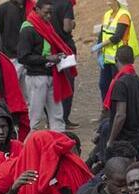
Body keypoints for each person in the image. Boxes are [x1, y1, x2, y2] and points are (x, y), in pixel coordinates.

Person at [18, 0, 72, 132]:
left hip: (51, 75)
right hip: (36, 77)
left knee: (57, 116)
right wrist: (47, 58)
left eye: (51, 13)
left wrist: (58, 56)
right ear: (36, 10)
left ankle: (58, 146)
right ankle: (31, 148)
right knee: (35, 119)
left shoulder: (47, 27)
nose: (49, 16)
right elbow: (23, 57)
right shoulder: (28, 29)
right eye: (46, 13)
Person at [94, 45, 139, 162]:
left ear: (115, 59)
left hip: (122, 141)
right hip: (136, 138)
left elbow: (120, 115)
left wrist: (111, 140)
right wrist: (137, 131)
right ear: (132, 60)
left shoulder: (120, 83)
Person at [94, 0, 139, 101]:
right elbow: (102, 33)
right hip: (107, 57)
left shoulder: (124, 15)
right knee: (103, 85)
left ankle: (117, 110)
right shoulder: (107, 14)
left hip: (119, 58)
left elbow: (117, 37)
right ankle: (106, 110)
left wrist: (100, 45)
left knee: (117, 86)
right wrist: (99, 50)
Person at [47, 0, 79, 129]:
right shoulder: (66, 4)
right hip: (65, 47)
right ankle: (63, 118)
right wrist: (73, 24)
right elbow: (67, 27)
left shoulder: (45, 3)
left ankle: (51, 119)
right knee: (67, 83)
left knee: (52, 84)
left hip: (49, 47)